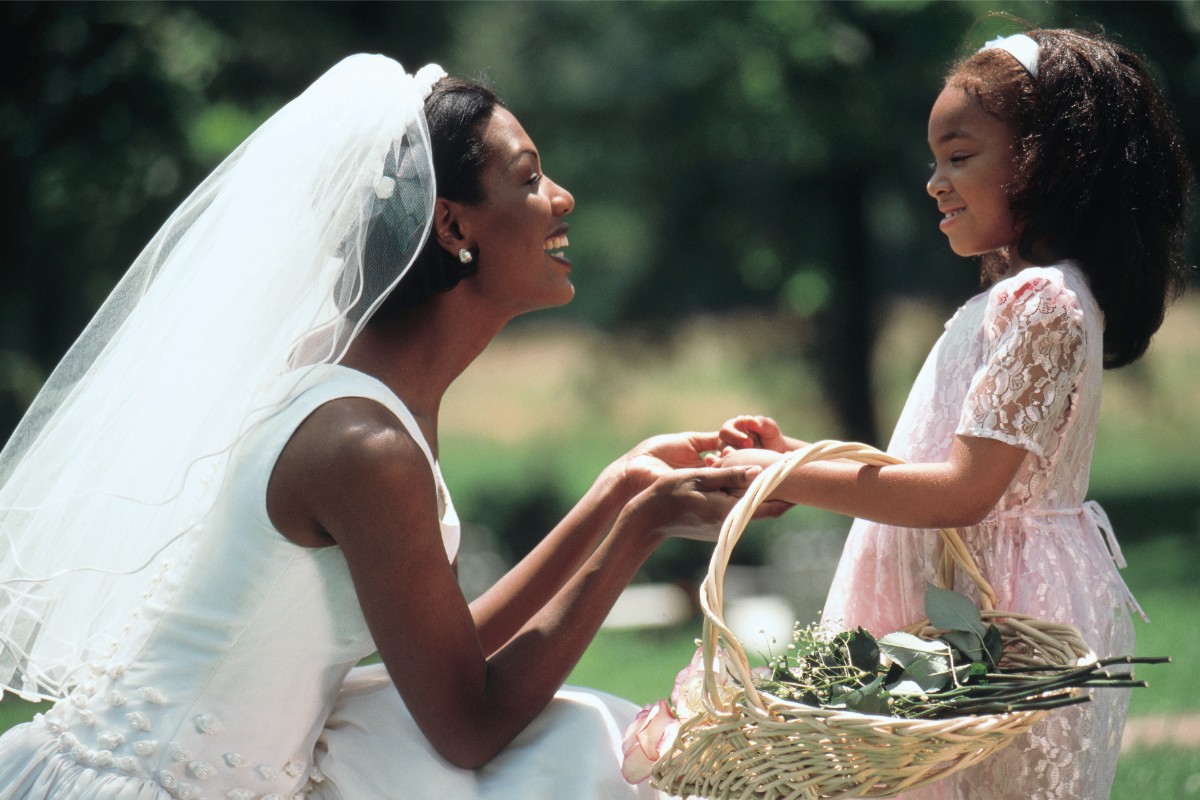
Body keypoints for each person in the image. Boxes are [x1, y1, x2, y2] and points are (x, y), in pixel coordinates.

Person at [0, 55, 768, 800]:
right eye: (530, 178)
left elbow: (450, 654)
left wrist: (621, 487)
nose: (562, 199)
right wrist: (643, 527)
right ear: (451, 224)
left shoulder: (360, 391)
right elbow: (467, 724)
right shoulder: (364, 445)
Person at [710, 28, 1191, 799]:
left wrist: (775, 479)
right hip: (966, 586)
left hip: (1006, 610)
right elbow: (939, 468)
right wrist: (800, 461)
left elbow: (967, 494)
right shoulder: (1009, 300)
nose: (936, 181)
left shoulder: (1043, 303)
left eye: (960, 157)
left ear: (1045, 160)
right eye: (935, 160)